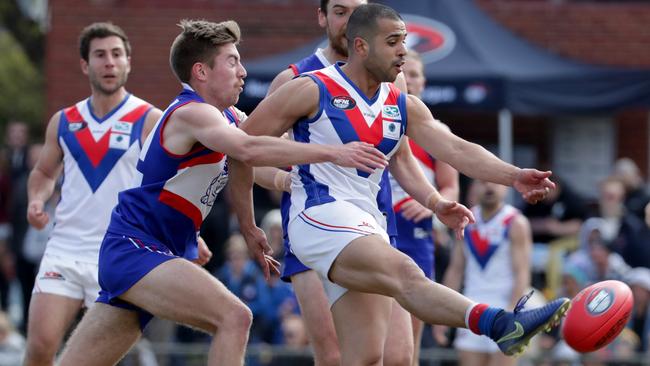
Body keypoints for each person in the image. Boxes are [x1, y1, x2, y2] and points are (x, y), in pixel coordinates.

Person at [234, 4, 570, 364]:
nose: (403, 52)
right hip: (319, 216)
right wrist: (251, 221)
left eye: (404, 41)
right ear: (361, 46)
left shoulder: (399, 99)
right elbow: (241, 147)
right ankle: (501, 323)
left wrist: (512, 176)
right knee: (406, 276)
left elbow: (454, 147)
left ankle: (500, 324)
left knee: (368, 358)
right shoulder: (310, 87)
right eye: (393, 42)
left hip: (368, 223)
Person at [57, 19, 388, 366]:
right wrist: (334, 152)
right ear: (201, 71)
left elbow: (253, 166)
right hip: (137, 248)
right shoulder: (193, 113)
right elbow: (249, 149)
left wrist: (286, 185)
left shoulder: (226, 115)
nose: (243, 72)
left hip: (155, 248)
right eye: (232, 61)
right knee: (234, 317)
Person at [266, 1, 422, 364]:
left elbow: (402, 158)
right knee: (335, 356)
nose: (350, 21)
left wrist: (436, 201)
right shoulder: (295, 79)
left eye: (357, 10)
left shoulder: (390, 77)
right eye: (339, 11)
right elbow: (250, 151)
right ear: (321, 17)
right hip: (316, 227)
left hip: (375, 224)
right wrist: (285, 179)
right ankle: (488, 320)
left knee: (398, 356)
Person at [23, 22, 163, 366]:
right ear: (85, 65)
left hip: (118, 253)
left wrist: (188, 233)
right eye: (100, 55)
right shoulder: (64, 120)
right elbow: (43, 172)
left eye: (117, 54)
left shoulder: (149, 119)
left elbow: (168, 186)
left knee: (96, 360)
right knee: (40, 347)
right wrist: (37, 200)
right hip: (65, 249)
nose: (109, 62)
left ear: (129, 61)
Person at [389, 49, 460, 365]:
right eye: (404, 72)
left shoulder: (437, 132)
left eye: (415, 74)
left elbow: (451, 186)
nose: (409, 79)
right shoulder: (378, 120)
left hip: (416, 233)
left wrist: (432, 207)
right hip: (377, 226)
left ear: (424, 82)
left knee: (410, 335)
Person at [433, 180, 531, 366]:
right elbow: (456, 269)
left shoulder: (516, 222)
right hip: (472, 306)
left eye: (495, 183)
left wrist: (513, 314)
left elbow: (522, 273)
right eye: (483, 182)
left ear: (505, 188)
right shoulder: (465, 220)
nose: (489, 187)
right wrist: (442, 312)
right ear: (474, 188)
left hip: (504, 306)